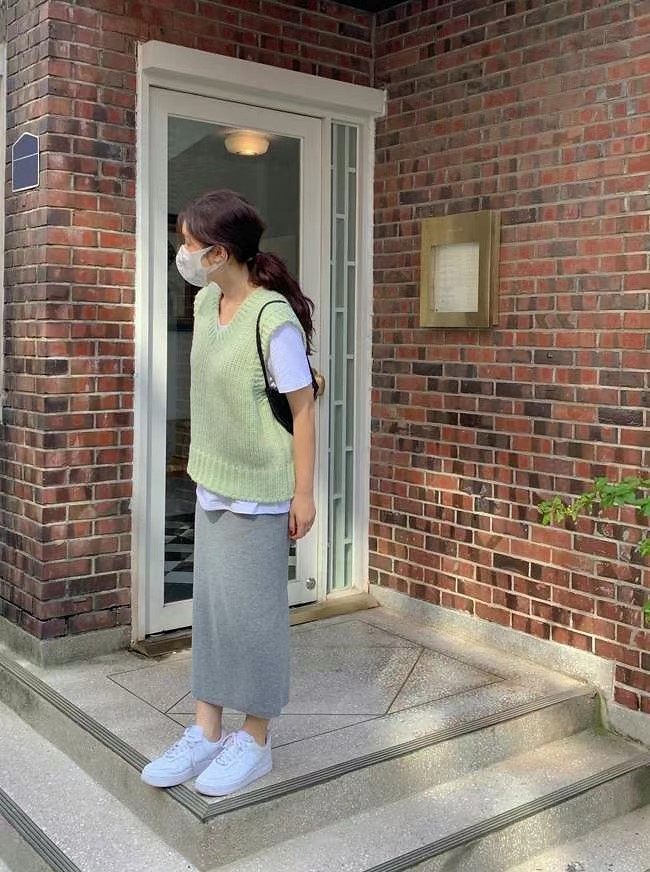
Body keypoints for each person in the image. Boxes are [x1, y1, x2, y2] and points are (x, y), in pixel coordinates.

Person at [141, 189, 316, 796]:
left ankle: (256, 739)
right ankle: (206, 730)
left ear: (219, 252)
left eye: (190, 244)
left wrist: (303, 493)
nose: (183, 254)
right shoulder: (206, 300)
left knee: (255, 617)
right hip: (213, 483)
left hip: (261, 491)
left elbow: (303, 409)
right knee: (213, 612)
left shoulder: (271, 318)